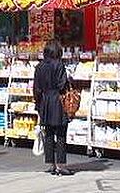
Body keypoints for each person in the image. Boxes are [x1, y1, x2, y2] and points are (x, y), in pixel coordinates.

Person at [33, 40, 73, 176]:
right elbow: (62, 85)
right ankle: (61, 165)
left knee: (48, 134)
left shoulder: (39, 67)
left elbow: (36, 88)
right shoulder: (59, 65)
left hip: (45, 102)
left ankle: (51, 164)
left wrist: (38, 104)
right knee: (61, 134)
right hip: (58, 102)